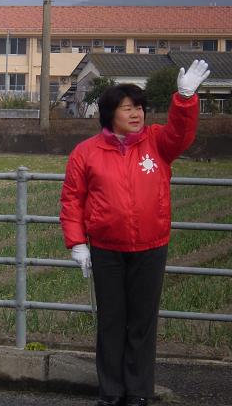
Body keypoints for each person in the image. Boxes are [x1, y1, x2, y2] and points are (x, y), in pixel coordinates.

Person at [60, 60, 210, 406]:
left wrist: (185, 98)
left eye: (139, 108)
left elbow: (182, 133)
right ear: (110, 113)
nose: (136, 114)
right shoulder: (86, 152)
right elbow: (72, 199)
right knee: (111, 322)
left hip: (150, 246)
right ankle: (111, 391)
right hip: (106, 249)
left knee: (142, 323)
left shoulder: (158, 143)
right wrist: (78, 242)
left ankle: (139, 392)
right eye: (128, 108)